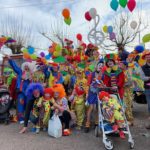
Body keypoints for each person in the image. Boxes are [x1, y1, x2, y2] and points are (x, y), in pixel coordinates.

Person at [7, 56, 34, 123]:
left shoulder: (32, 75)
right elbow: (15, 66)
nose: (26, 67)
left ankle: (28, 118)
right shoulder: (20, 72)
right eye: (25, 66)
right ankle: (21, 119)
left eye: (27, 66)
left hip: (29, 93)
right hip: (21, 92)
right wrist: (10, 59)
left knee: (28, 105)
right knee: (20, 105)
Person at [84, 60, 105, 132]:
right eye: (99, 65)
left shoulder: (103, 75)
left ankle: (96, 123)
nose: (100, 67)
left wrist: (102, 85)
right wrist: (87, 93)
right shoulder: (91, 74)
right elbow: (88, 84)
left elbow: (104, 85)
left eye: (102, 66)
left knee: (98, 108)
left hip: (100, 93)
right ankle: (87, 124)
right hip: (92, 93)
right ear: (96, 66)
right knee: (91, 108)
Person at [119, 61, 134, 126]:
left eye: (121, 64)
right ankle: (123, 120)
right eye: (119, 64)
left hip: (127, 92)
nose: (120, 66)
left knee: (127, 105)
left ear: (125, 65)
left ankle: (130, 120)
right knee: (121, 105)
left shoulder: (129, 71)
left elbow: (130, 82)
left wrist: (122, 85)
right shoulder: (120, 72)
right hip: (121, 91)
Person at [141, 50, 150, 129]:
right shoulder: (143, 67)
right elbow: (142, 77)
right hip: (148, 88)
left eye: (149, 56)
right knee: (149, 105)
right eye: (146, 56)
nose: (148, 57)